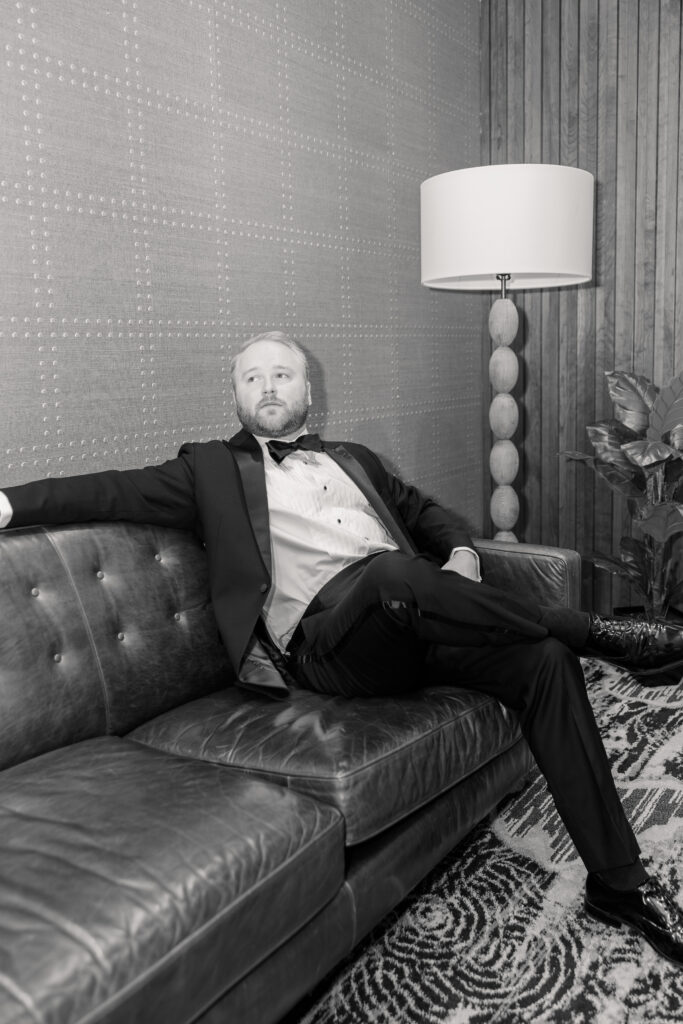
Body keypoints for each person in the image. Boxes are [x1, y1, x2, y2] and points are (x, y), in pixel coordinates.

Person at [1, 330, 682, 966]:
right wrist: (4, 503)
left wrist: (465, 556)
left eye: (282, 374)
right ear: (235, 394)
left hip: (417, 614)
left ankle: (617, 882)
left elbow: (429, 516)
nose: (268, 386)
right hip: (329, 644)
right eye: (252, 377)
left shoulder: (356, 459)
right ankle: (598, 633)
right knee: (392, 575)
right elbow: (104, 489)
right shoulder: (208, 469)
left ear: (308, 390)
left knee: (542, 661)